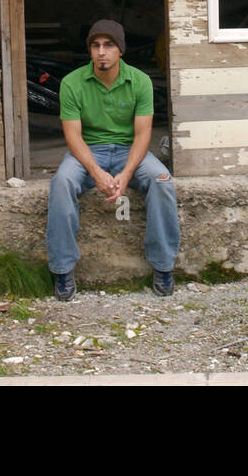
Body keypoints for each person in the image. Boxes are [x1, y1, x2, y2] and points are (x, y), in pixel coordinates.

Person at [46, 19, 180, 301]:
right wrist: (96, 173)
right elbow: (73, 135)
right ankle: (62, 269)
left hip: (127, 151)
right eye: (95, 45)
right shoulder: (72, 83)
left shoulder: (140, 81)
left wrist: (127, 173)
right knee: (61, 183)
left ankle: (164, 266)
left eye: (109, 45)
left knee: (162, 180)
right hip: (87, 151)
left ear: (121, 50)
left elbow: (144, 134)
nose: (101, 52)